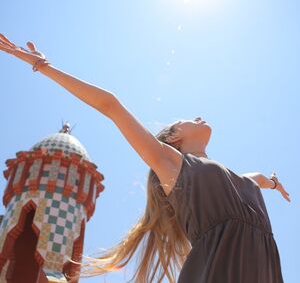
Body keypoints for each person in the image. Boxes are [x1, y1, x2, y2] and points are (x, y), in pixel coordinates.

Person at [0, 34, 291, 283]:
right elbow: (110, 105)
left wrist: (275, 183)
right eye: (189, 118)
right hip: (218, 269)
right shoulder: (173, 165)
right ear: (174, 137)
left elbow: (258, 179)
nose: (200, 116)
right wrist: (44, 66)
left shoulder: (238, 181)